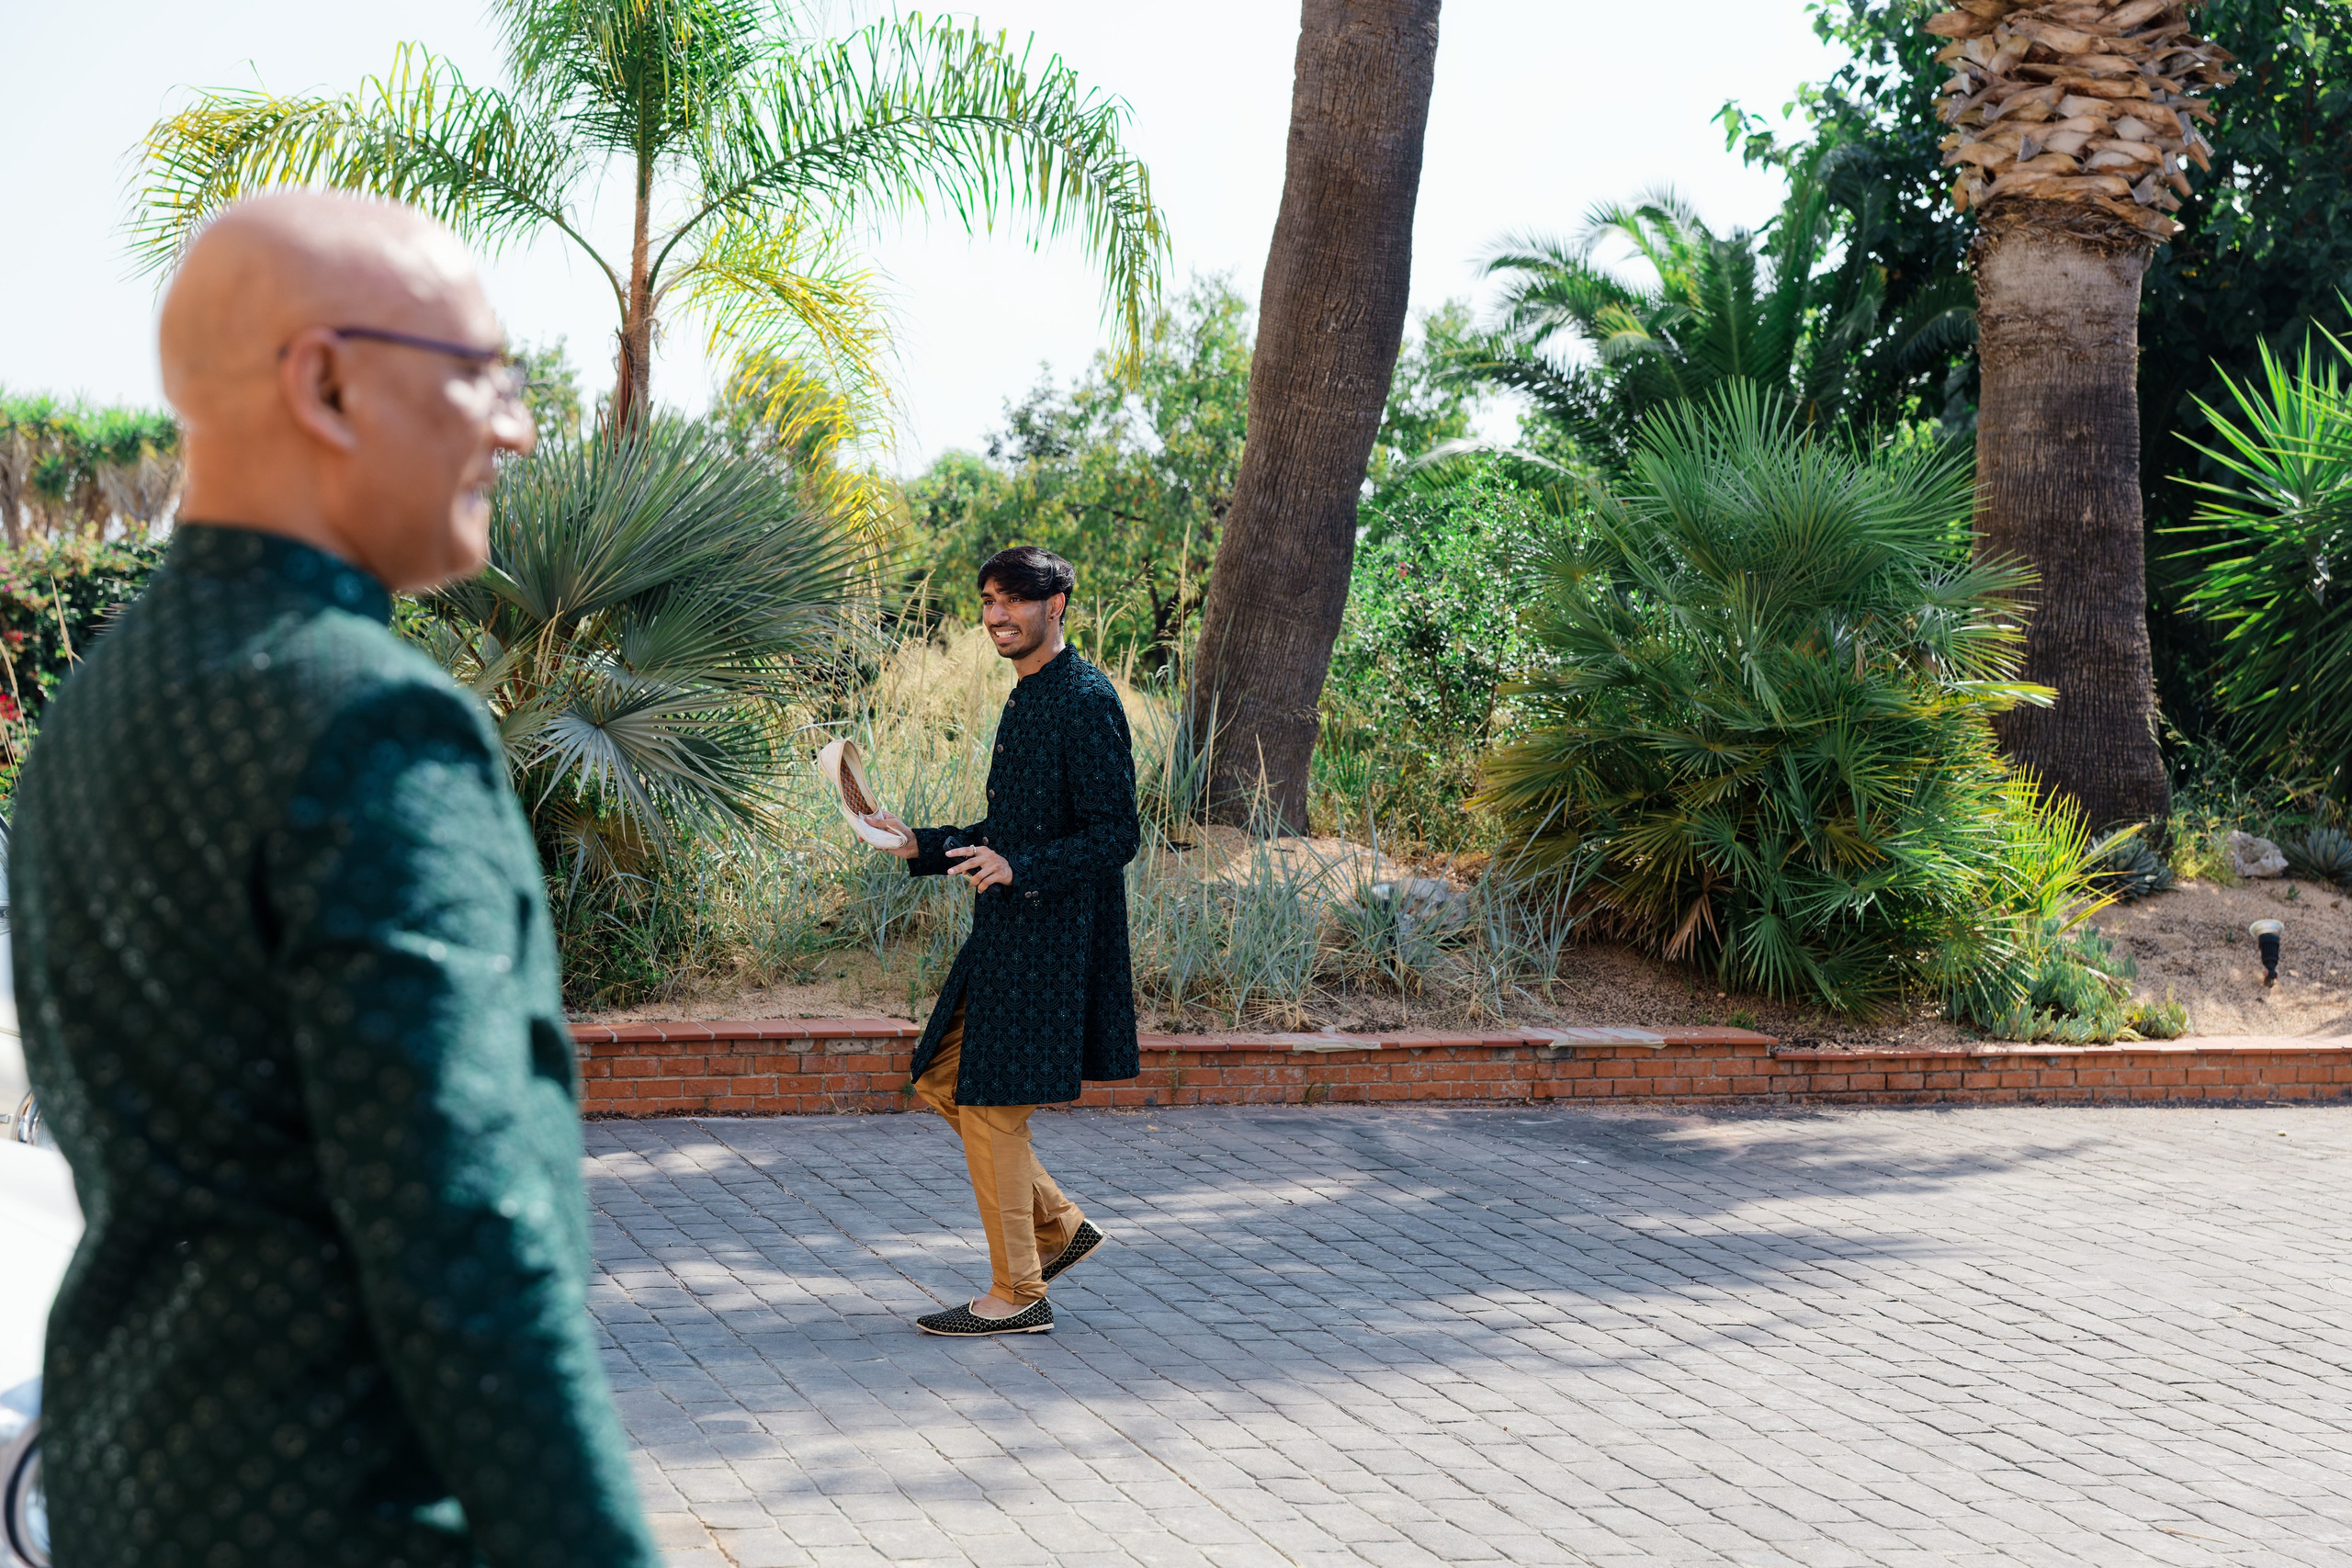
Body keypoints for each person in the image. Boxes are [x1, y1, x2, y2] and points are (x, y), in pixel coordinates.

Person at [13, 193, 659, 1567]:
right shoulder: (369, 722)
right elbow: (467, 1235)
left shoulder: (95, 705)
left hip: (129, 1491)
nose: (515, 427)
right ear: (325, 383)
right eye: (482, 372)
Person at [863, 546, 1140, 1337]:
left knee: (990, 1104)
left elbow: (1116, 833)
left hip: (1052, 946)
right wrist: (919, 842)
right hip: (1009, 936)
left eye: (1013, 599)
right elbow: (1012, 827)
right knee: (943, 1076)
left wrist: (1020, 867)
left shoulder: (1084, 699)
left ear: (1056, 605)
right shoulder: (1028, 697)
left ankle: (1018, 1293)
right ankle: (1059, 1227)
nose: (996, 615)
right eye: (988, 600)